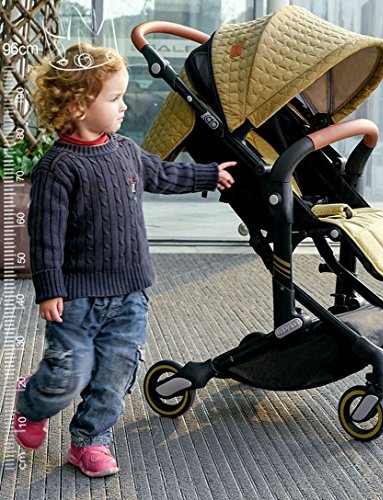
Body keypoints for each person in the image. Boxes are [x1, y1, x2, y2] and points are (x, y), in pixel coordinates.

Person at [14, 43, 235, 478]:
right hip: (75, 297)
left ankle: (90, 441)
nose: (124, 106)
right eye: (115, 98)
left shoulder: (126, 150)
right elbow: (45, 235)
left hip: (130, 292)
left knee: (116, 372)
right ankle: (33, 401)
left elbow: (163, 174)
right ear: (77, 107)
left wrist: (208, 174)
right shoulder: (58, 168)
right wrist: (49, 287)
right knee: (68, 374)